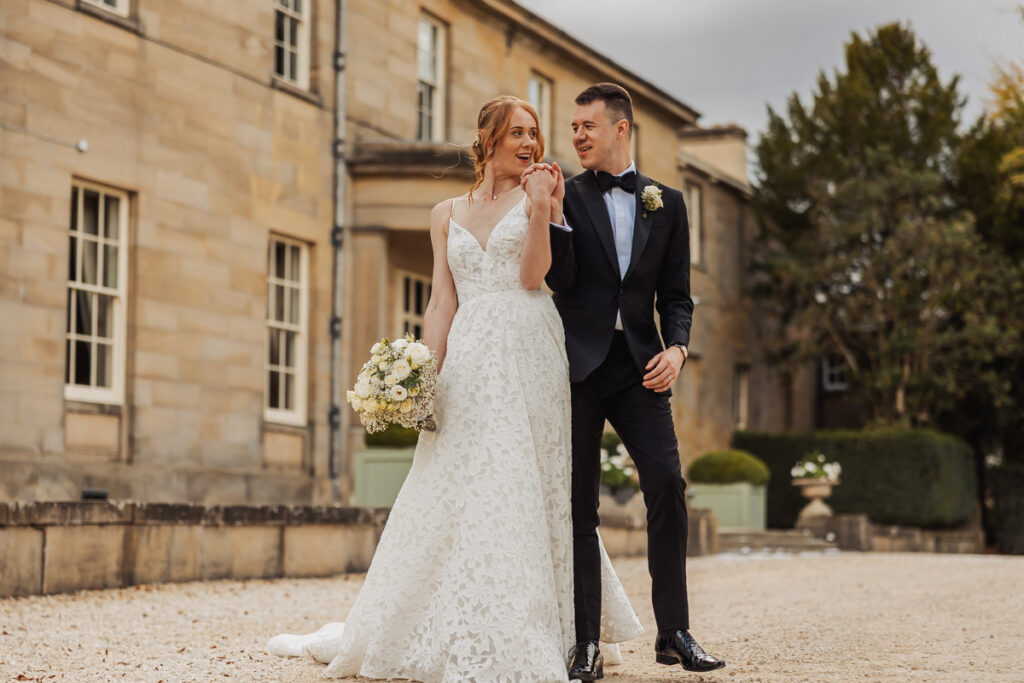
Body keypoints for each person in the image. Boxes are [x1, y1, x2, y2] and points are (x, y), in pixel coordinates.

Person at [267, 95, 641, 682]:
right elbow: (442, 300)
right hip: (470, 351)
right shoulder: (445, 212)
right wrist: (424, 376)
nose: (529, 143)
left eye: (534, 133)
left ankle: (552, 627)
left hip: (529, 345)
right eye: (517, 132)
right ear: (488, 138)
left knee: (527, 476)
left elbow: (533, 276)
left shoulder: (544, 189)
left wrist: (543, 205)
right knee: (458, 476)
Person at [525, 82, 725, 678]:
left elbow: (678, 296)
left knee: (666, 484)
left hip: (642, 368)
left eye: (588, 125)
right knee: (579, 505)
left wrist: (680, 349)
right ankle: (585, 642)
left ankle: (675, 633)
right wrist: (555, 216)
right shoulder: (570, 194)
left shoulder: (668, 203)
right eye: (573, 126)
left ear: (621, 128)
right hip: (579, 368)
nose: (576, 135)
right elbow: (558, 282)